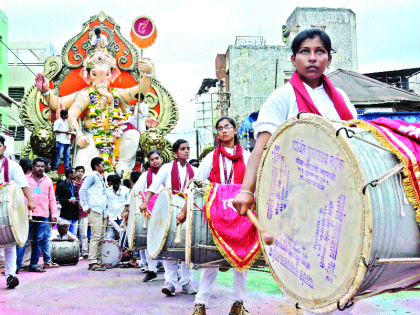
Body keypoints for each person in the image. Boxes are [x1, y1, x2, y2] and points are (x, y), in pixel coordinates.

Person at [232, 28, 357, 315]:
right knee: (311, 286)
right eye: (305, 52)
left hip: (338, 202)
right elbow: (260, 148)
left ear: (328, 58)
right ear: (293, 59)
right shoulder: (281, 98)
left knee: (345, 285)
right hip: (297, 204)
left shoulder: (342, 100)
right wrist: (247, 190)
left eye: (320, 52)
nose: (312, 58)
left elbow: (355, 149)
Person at [176, 117, 252, 315]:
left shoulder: (248, 155)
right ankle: (200, 304)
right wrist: (184, 210)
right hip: (216, 213)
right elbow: (195, 184)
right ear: (217, 134)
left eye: (227, 127)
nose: (224, 130)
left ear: (235, 131)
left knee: (241, 260)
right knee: (211, 260)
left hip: (241, 215)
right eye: (220, 128)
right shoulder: (211, 158)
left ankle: (238, 304)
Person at [140, 140, 198, 296]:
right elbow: (154, 186)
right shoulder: (166, 168)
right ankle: (170, 283)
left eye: (188, 149)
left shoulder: (195, 170)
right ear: (175, 153)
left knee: (188, 246)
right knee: (168, 244)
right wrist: (146, 201)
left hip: (188, 208)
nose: (186, 151)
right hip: (170, 208)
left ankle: (186, 282)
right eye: (182, 149)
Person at [123, 149, 163, 282]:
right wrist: (127, 208)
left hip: (165, 209)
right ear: (149, 162)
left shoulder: (167, 171)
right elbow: (135, 191)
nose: (155, 161)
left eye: (157, 158)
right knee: (149, 240)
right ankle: (152, 270)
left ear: (161, 159)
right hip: (149, 211)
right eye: (152, 159)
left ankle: (173, 274)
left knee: (168, 240)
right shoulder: (145, 176)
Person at [0, 136, 35, 288]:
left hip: (6, 211)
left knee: (10, 243)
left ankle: (10, 276)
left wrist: (30, 201)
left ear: (4, 148)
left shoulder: (13, 166)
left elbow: (23, 185)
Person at [17, 157, 58, 272]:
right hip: (27, 214)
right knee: (23, 240)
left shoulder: (48, 181)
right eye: (38, 166)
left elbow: (51, 199)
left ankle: (34, 264)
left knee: (38, 240)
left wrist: (53, 214)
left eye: (42, 166)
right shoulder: (25, 180)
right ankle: (16, 265)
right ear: (33, 168)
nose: (40, 168)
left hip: (43, 215)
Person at [79, 157, 108, 271]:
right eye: (102, 165)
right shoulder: (91, 177)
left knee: (101, 238)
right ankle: (92, 262)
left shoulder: (100, 178)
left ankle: (98, 260)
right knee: (96, 237)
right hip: (95, 210)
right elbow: (82, 190)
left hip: (103, 211)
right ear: (96, 166)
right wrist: (85, 206)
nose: (104, 167)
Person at [56, 168, 79, 235]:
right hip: (65, 214)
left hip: (74, 214)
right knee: (65, 234)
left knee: (73, 235)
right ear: (69, 174)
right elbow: (57, 199)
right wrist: (69, 200)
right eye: (74, 173)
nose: (75, 175)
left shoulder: (74, 185)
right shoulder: (61, 185)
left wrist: (77, 201)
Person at [105, 175, 130, 240]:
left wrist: (127, 213)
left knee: (123, 235)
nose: (116, 185)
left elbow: (128, 203)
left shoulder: (125, 190)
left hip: (122, 216)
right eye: (114, 183)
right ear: (112, 183)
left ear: (120, 183)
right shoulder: (106, 191)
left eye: (117, 183)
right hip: (111, 216)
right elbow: (104, 203)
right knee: (109, 236)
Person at [74, 165, 88, 259]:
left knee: (84, 234)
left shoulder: (85, 184)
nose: (80, 173)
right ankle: (74, 251)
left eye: (82, 171)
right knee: (74, 233)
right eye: (78, 171)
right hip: (73, 212)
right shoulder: (72, 184)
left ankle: (85, 251)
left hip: (83, 212)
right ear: (75, 172)